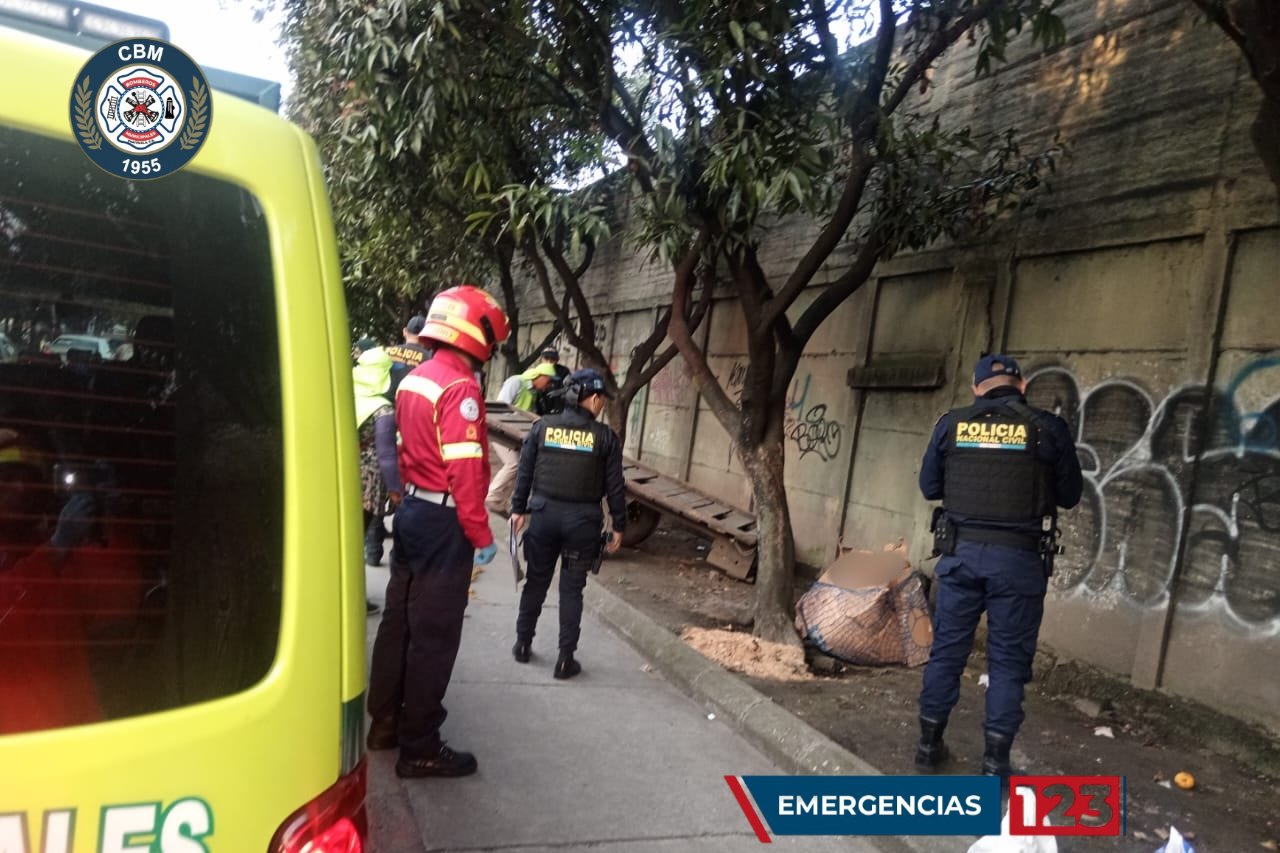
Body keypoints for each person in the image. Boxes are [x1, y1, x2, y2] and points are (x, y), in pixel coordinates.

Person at [914, 353, 1083, 779]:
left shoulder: (950, 425)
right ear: (1022, 386)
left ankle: (928, 745)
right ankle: (994, 762)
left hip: (961, 557)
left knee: (947, 652)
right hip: (1018, 563)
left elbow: (929, 487)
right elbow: (1069, 495)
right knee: (1007, 663)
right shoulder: (1048, 428)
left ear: (975, 388)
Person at [366, 284, 509, 779]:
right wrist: (482, 536)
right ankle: (420, 745)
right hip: (445, 522)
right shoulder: (460, 388)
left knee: (399, 622)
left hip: (411, 514)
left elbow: (405, 448)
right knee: (434, 634)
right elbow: (466, 472)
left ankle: (384, 723)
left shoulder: (414, 379)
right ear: (479, 333)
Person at [509, 368, 625, 679]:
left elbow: (525, 472)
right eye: (600, 398)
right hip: (582, 522)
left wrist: (518, 509)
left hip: (544, 516)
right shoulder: (605, 438)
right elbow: (615, 486)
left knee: (536, 582)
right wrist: (619, 526)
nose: (601, 404)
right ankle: (565, 660)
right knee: (571, 591)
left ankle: (522, 644)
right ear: (593, 398)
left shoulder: (542, 428)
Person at [353, 345, 402, 578]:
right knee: (356, 538)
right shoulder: (382, 409)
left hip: (342, 473)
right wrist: (395, 489)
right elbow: (387, 455)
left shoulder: (346, 395)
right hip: (367, 481)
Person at [484, 361, 558, 515]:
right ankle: (492, 497)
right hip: (501, 431)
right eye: (548, 380)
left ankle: (499, 502)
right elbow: (501, 407)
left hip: (516, 435)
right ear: (541, 376)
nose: (549, 385)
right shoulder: (516, 382)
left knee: (520, 466)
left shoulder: (533, 392)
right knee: (514, 464)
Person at [386, 313, 432, 395]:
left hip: (386, 403)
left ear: (404, 331)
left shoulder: (388, 352)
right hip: (410, 403)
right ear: (425, 335)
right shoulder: (429, 358)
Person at [533, 348, 571, 416]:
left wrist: (561, 391)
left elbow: (571, 387)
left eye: (553, 359)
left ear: (557, 360)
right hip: (540, 406)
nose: (549, 361)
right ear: (541, 359)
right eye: (546, 358)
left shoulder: (563, 371)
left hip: (558, 407)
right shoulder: (537, 370)